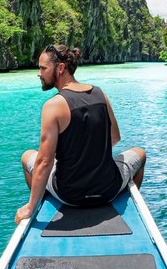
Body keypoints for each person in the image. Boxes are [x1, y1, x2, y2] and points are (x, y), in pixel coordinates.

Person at [15, 44, 146, 225]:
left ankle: (38, 202)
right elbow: (114, 137)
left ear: (60, 68)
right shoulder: (100, 94)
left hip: (69, 195)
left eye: (43, 68)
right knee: (140, 153)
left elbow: (45, 161)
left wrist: (28, 207)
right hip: (108, 190)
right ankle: (126, 203)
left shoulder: (53, 105)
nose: (39, 73)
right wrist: (91, 158)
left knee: (27, 157)